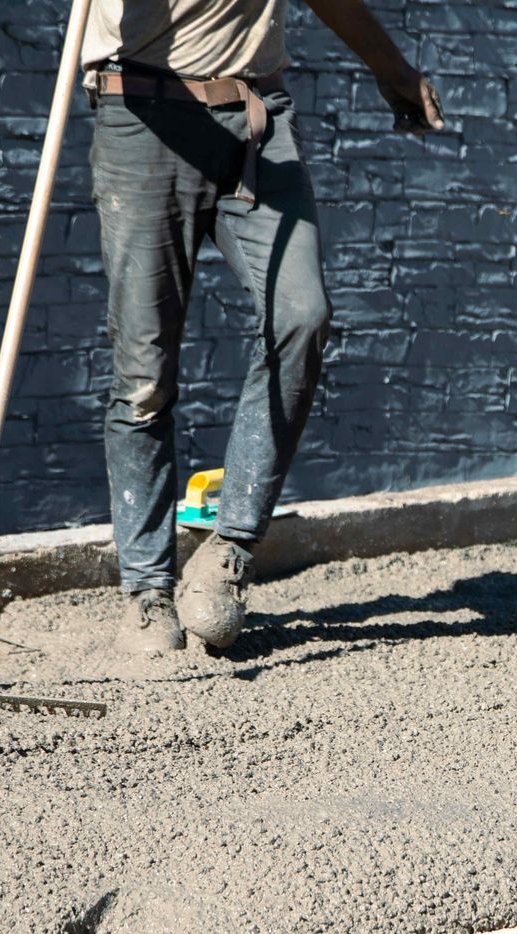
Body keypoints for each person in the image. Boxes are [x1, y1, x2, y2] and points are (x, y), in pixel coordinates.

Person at [84, 0, 444, 654]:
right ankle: (145, 589)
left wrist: (393, 70)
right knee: (145, 374)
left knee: (302, 315)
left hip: (255, 122)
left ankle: (230, 547)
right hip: (142, 112)